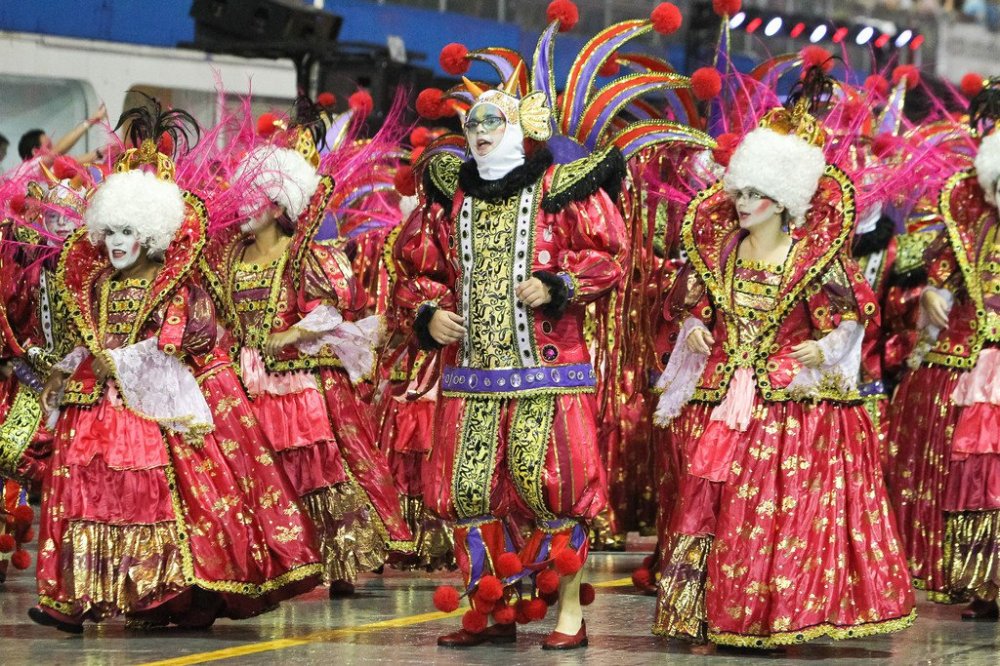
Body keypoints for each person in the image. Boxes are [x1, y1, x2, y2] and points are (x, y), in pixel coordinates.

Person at [30, 111, 322, 633]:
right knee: (84, 495)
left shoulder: (182, 290)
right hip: (97, 411)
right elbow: (89, 341)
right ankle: (73, 599)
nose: (118, 242)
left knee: (148, 501)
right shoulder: (98, 286)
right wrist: (67, 367)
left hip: (154, 410)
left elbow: (179, 345)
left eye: (130, 231)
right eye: (111, 231)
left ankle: (159, 593)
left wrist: (115, 362)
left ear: (153, 234)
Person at [651, 91, 915, 649]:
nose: (744, 203)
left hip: (789, 408)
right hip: (725, 403)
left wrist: (828, 347)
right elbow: (690, 308)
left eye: (758, 194)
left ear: (784, 199)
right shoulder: (719, 252)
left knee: (771, 515)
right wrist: (693, 330)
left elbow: (852, 316)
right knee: (713, 509)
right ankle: (712, 615)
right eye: (740, 191)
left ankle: (771, 616)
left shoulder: (811, 260)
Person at [395, 70, 627, 649]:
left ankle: (568, 614)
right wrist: (429, 314)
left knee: (550, 486)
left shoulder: (559, 188)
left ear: (520, 126)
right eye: (471, 123)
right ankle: (490, 607)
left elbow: (609, 258)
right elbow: (423, 274)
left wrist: (559, 284)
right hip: (473, 375)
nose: (477, 132)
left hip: (547, 373)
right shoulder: (450, 197)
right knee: (468, 488)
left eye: (491, 120)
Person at [200, 108, 412, 598]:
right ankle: (275, 560)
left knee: (316, 469)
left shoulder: (306, 254)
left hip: (297, 383)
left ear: (278, 205)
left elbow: (332, 309)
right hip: (243, 379)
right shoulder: (229, 255)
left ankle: (339, 560)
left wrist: (289, 334)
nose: (243, 208)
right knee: (255, 471)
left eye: (254, 199)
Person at [18, 103, 107, 164]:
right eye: (49, 146)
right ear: (35, 152)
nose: (54, 148)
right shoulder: (34, 165)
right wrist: (91, 121)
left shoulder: (49, 169)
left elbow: (73, 161)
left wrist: (105, 152)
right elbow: (58, 152)